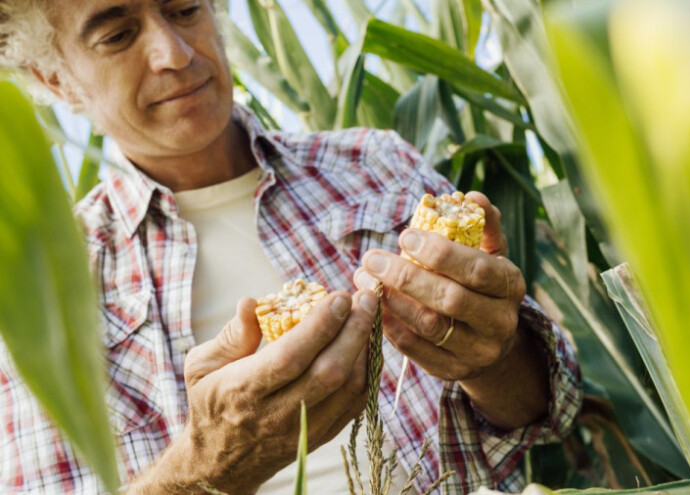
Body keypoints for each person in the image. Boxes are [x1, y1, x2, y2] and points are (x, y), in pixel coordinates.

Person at [0, 0, 581, 493]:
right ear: (54, 79)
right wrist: (205, 468)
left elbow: (546, 411)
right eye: (118, 36)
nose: (174, 53)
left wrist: (497, 355)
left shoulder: (377, 165)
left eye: (185, 9)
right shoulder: (38, 293)